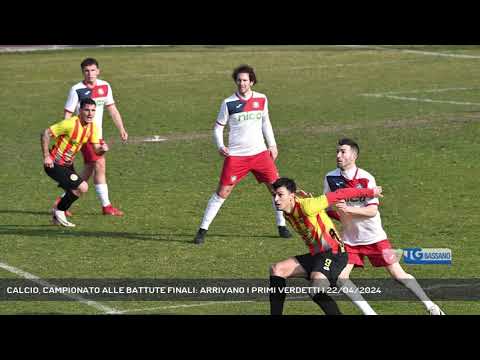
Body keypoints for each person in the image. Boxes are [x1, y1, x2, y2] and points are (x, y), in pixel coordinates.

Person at [323, 138, 445, 315]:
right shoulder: (330, 177)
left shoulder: (366, 178)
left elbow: (372, 211)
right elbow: (327, 207)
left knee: (398, 274)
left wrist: (347, 210)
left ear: (354, 155)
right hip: (349, 240)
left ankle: (431, 307)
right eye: (337, 151)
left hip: (374, 237)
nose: (338, 155)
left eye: (343, 151)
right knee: (341, 278)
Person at [193, 64, 291, 244]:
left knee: (276, 189)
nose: (242, 83)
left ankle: (282, 226)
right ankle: (202, 230)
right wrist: (221, 145)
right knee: (223, 192)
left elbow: (265, 123)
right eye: (239, 80)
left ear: (252, 81)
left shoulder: (262, 99)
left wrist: (273, 145)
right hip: (237, 157)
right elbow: (218, 128)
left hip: (260, 154)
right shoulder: (228, 103)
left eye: (245, 80)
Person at [269, 177, 383, 315]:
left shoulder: (308, 206)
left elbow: (339, 194)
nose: (276, 199)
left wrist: (370, 192)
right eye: (274, 195)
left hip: (334, 253)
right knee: (277, 269)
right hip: (317, 256)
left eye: (280, 195)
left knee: (316, 288)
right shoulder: (287, 210)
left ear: (291, 196)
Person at [53, 57, 128, 217]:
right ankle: (106, 206)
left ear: (98, 71)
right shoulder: (77, 89)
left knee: (90, 168)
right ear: (83, 72)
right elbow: (68, 113)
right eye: (87, 71)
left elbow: (112, 109)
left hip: (96, 135)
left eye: (93, 70)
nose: (90, 74)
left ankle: (62, 201)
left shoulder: (105, 86)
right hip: (83, 135)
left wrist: (121, 128)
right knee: (99, 164)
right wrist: (67, 134)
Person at [42, 98, 109, 227]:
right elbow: (45, 133)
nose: (90, 113)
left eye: (93, 110)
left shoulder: (92, 127)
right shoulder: (70, 124)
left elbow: (96, 150)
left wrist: (102, 150)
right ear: (80, 110)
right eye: (87, 110)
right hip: (54, 164)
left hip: (68, 165)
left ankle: (56, 217)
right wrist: (46, 156)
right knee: (82, 187)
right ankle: (60, 210)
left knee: (73, 190)